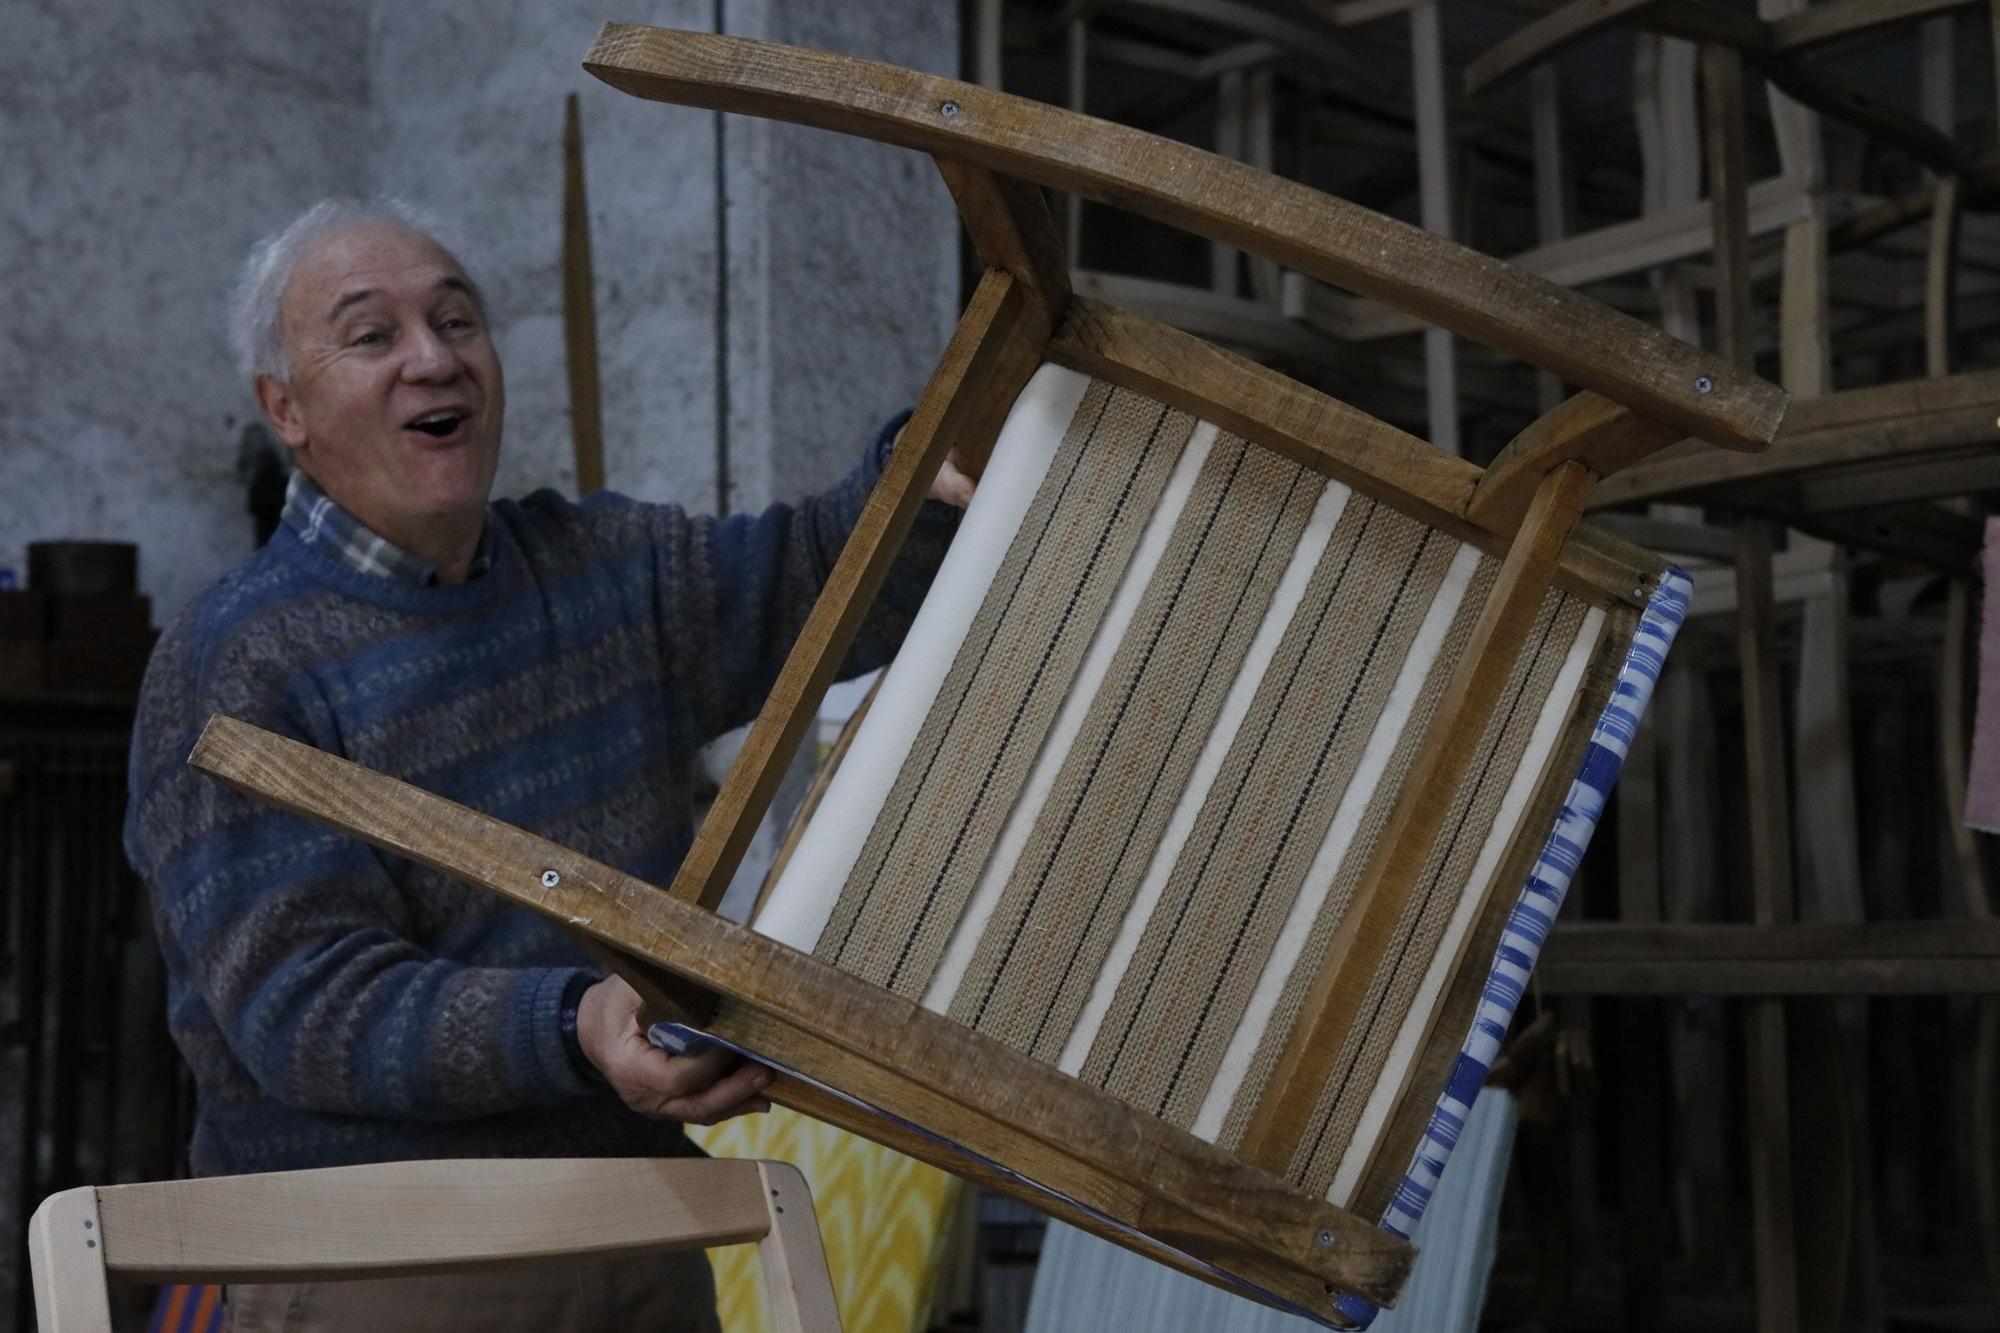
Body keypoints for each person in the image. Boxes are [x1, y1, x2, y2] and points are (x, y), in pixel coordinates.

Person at [123, 197, 970, 1331]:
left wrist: (941, 482)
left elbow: (820, 577)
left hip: (640, 1232)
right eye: (373, 335)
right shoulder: (235, 659)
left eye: (457, 320)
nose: (435, 359)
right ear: (287, 408)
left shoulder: (605, 568)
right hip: (371, 1262)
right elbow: (306, 1007)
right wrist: (575, 1025)